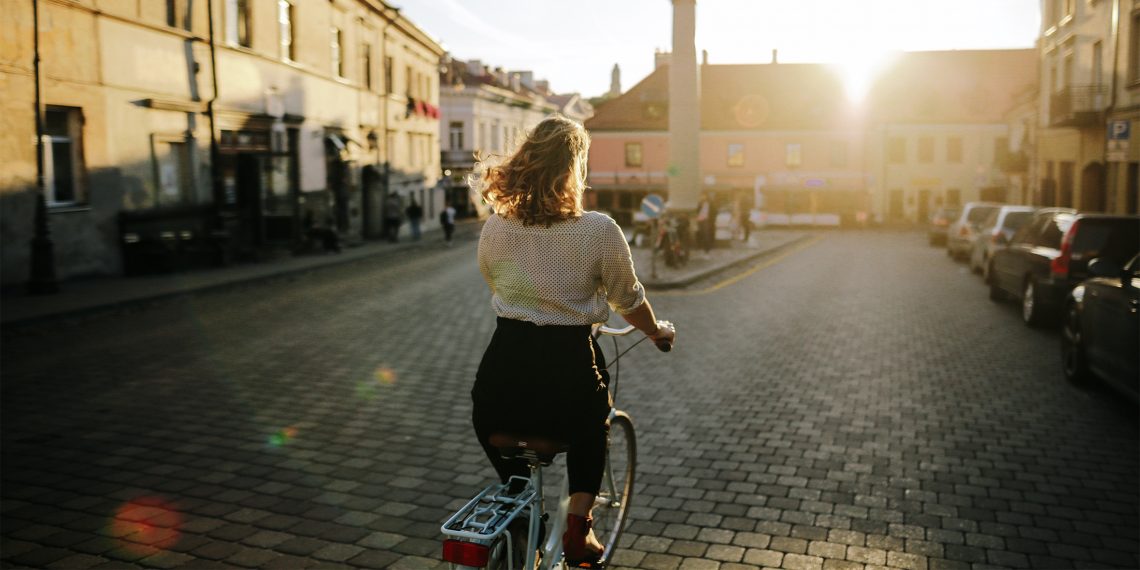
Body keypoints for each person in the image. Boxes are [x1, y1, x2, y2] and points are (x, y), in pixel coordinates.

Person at [471, 115, 676, 566]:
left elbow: (495, 281)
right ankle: (579, 531)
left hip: (502, 372)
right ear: (575, 166)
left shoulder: (497, 226)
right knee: (592, 426)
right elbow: (628, 299)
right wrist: (656, 331)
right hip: (567, 367)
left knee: (491, 424)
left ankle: (519, 502)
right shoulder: (598, 229)